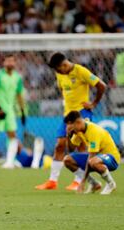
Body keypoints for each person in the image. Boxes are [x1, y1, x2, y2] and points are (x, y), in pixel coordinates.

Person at [36, 52, 107, 190]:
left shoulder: (81, 71)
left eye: (57, 69)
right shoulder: (60, 74)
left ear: (63, 64)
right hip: (68, 115)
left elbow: (101, 85)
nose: (57, 72)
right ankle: (52, 181)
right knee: (60, 145)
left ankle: (78, 181)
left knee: (81, 146)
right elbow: (63, 90)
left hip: (82, 114)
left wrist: (93, 104)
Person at [0, 53, 26, 169]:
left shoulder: (17, 77)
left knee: (12, 134)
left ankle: (10, 160)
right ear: (3, 63)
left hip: (9, 109)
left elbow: (19, 95)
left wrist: (22, 111)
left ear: (15, 63)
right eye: (8, 61)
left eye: (12, 61)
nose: (10, 63)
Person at [63, 111, 120, 195]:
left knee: (92, 161)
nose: (69, 128)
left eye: (70, 125)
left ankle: (111, 184)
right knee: (67, 160)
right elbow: (71, 150)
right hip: (96, 158)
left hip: (112, 158)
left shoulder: (93, 131)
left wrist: (82, 182)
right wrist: (68, 135)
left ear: (78, 122)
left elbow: (91, 157)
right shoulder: (78, 131)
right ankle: (94, 184)